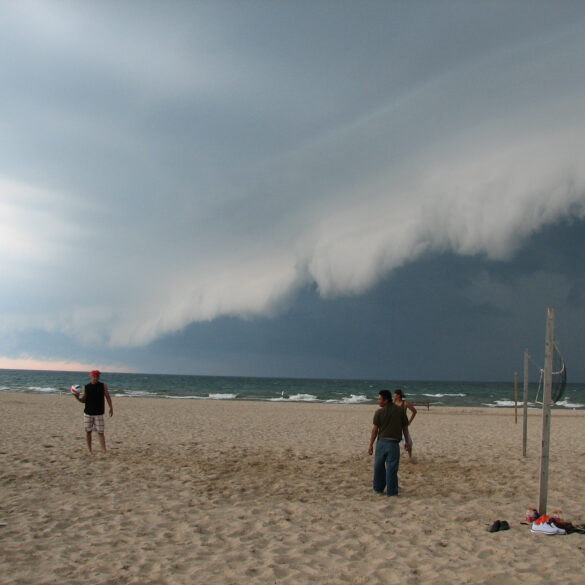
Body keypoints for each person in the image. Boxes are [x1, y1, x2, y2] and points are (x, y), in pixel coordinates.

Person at [368, 389, 410, 496]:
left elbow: (375, 430)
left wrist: (371, 445)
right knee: (392, 469)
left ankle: (378, 489)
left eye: (380, 399)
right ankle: (391, 492)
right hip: (393, 444)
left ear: (386, 400)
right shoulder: (400, 410)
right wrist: (407, 442)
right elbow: (405, 428)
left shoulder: (379, 412)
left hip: (382, 443)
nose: (379, 401)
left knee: (379, 467)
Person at [74, 369, 113, 453]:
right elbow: (83, 400)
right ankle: (89, 450)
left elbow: (107, 396)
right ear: (91, 377)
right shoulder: (86, 387)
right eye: (94, 376)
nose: (96, 378)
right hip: (88, 413)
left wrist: (111, 407)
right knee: (88, 431)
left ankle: (104, 450)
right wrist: (77, 397)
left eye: (97, 376)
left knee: (100, 432)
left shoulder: (103, 386)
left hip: (99, 413)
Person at [393, 388, 417, 460]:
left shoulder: (405, 403)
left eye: (395, 394)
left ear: (399, 395)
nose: (394, 396)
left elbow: (414, 411)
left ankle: (410, 457)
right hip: (394, 425)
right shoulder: (393, 403)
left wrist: (409, 421)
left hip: (403, 425)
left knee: (408, 442)